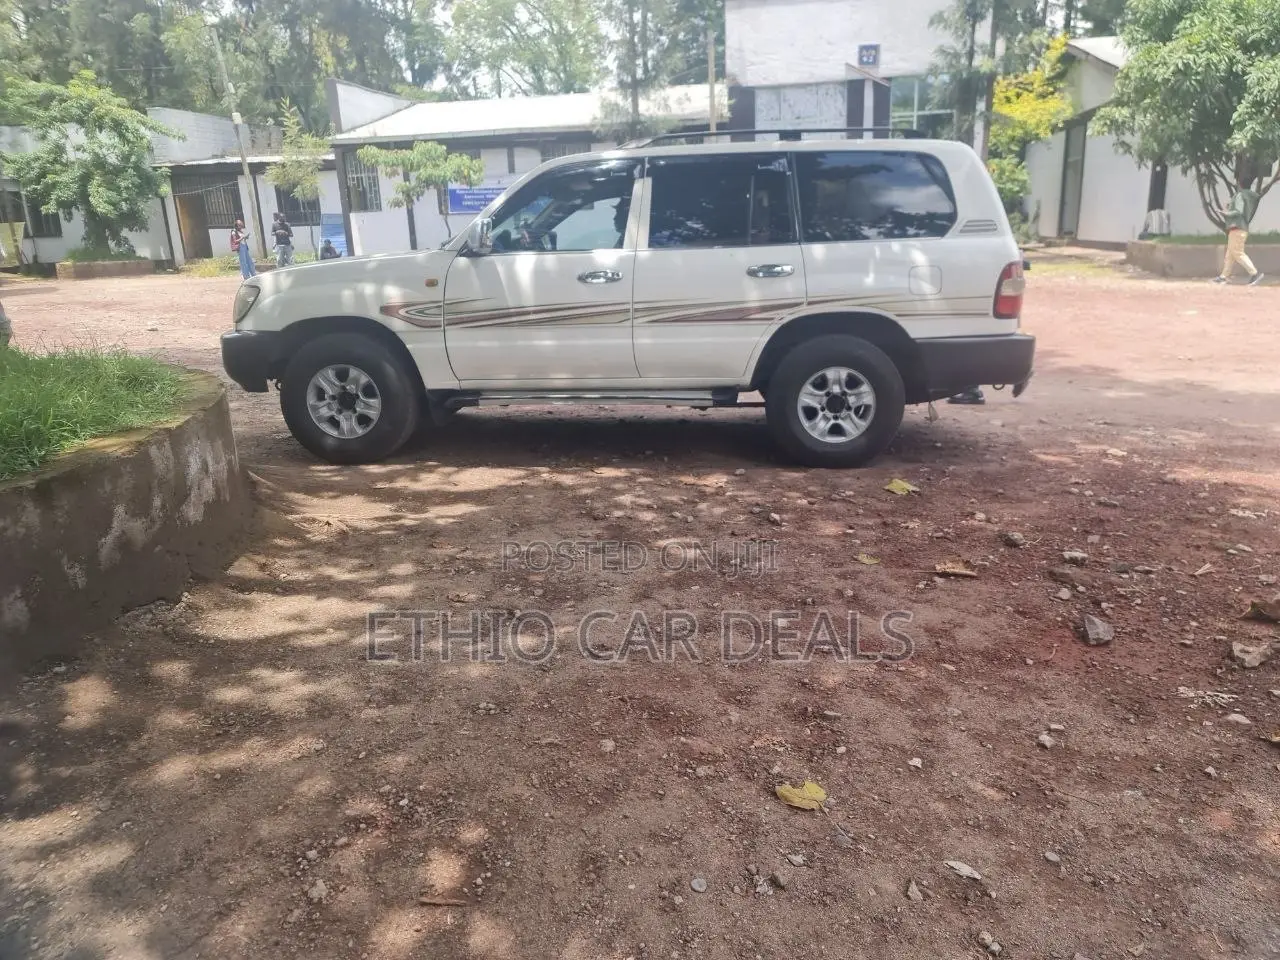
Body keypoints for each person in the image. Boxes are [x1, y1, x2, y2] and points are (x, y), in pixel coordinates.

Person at [1214, 179, 1264, 285]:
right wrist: (1230, 208)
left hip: (1237, 228)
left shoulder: (1240, 196)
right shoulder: (1247, 196)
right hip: (1239, 229)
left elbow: (1238, 211)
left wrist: (1225, 213)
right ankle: (1223, 276)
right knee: (1230, 254)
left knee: (1237, 253)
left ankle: (1254, 273)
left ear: (1239, 184)